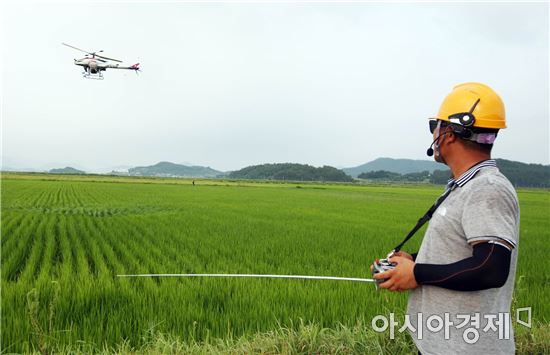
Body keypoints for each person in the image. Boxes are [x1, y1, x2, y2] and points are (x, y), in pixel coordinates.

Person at [373, 82, 520, 354]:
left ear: (450, 133)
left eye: (435, 126)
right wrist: (413, 260)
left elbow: (491, 266)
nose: (434, 133)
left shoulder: (487, 188)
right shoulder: (465, 185)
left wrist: (416, 273)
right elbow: (464, 249)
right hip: (445, 345)